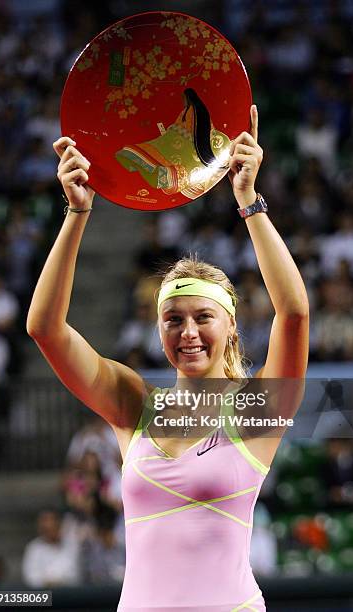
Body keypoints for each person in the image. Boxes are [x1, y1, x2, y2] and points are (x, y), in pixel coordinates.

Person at [27, 105, 309, 611]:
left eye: (204, 317)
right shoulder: (133, 403)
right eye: (172, 319)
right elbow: (44, 329)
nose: (188, 332)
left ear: (230, 326)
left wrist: (249, 201)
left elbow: (293, 315)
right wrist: (76, 212)